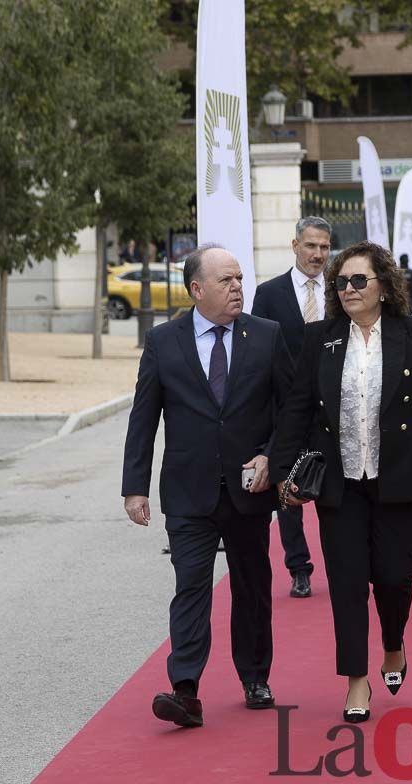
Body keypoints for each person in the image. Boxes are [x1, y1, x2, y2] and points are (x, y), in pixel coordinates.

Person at [272, 241, 412, 723]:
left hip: (398, 479)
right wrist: (283, 471)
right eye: (341, 282)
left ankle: (393, 643)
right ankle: (356, 680)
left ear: (382, 285)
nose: (348, 289)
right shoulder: (321, 338)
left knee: (394, 577)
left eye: (358, 281)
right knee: (348, 583)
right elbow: (296, 410)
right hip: (340, 483)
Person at [121, 245, 294, 729]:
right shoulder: (163, 341)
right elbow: (144, 418)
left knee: (252, 585)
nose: (238, 287)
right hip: (188, 490)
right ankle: (185, 689)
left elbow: (289, 409)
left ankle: (255, 677)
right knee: (191, 585)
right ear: (196, 290)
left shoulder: (266, 335)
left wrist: (271, 456)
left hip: (249, 489)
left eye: (239, 279)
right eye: (227, 281)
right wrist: (134, 487)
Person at [251, 216, 330, 598]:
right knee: (288, 493)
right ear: (295, 245)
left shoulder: (343, 289)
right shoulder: (269, 294)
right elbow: (259, 354)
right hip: (286, 410)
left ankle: (343, 561)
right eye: (311, 246)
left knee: (337, 490)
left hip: (334, 409)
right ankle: (298, 567)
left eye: (324, 247)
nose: (318, 254)